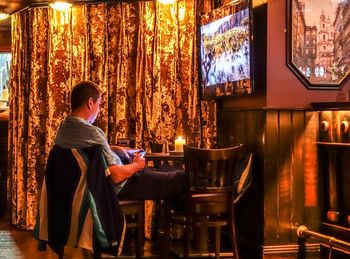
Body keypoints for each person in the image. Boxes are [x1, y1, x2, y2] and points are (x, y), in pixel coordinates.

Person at [54, 80, 186, 201]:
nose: (98, 110)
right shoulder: (94, 133)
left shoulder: (63, 129)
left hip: (84, 190)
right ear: (90, 103)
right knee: (182, 177)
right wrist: (137, 165)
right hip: (122, 185)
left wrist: (113, 148)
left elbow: (88, 149)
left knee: (166, 170)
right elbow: (116, 176)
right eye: (99, 105)